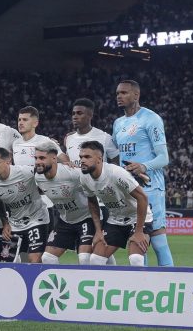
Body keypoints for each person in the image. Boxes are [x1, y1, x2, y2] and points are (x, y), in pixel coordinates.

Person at [112, 80, 174, 266]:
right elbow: (116, 155)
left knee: (158, 240)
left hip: (151, 187)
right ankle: (144, 287)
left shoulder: (151, 119)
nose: (119, 97)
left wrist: (143, 166)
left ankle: (173, 284)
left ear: (136, 95)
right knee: (138, 240)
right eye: (117, 93)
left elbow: (164, 158)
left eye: (124, 93)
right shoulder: (118, 123)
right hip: (129, 189)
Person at [79, 141, 153, 266]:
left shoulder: (116, 173)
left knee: (135, 259)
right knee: (95, 260)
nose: (82, 160)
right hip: (115, 220)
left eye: (87, 157)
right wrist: (98, 231)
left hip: (138, 218)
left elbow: (142, 198)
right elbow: (92, 202)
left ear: (99, 159)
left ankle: (138, 285)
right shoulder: (84, 177)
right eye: (81, 157)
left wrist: (139, 231)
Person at [65, 98, 119, 265]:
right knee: (99, 248)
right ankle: (114, 276)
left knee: (97, 246)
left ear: (90, 115)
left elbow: (116, 162)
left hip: (100, 200)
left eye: (79, 113)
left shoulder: (103, 137)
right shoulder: (69, 139)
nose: (75, 116)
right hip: (80, 201)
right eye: (73, 113)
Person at [34, 141, 94, 265]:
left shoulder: (71, 173)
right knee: (47, 258)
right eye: (36, 158)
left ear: (54, 159)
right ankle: (58, 284)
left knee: (85, 259)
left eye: (42, 158)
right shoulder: (38, 177)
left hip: (86, 218)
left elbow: (95, 185)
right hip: (65, 221)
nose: (38, 162)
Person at [12, 106, 69, 233]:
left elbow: (65, 161)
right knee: (23, 245)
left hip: (43, 200)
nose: (20, 122)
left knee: (43, 246)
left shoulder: (45, 141)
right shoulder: (15, 143)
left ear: (35, 123)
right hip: (23, 201)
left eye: (25, 120)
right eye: (19, 119)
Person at [0, 147, 49, 263]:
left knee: (34, 259)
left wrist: (62, 162)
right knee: (4, 260)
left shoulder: (25, 172)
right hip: (14, 223)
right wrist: (5, 223)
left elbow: (44, 169)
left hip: (36, 219)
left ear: (8, 162)